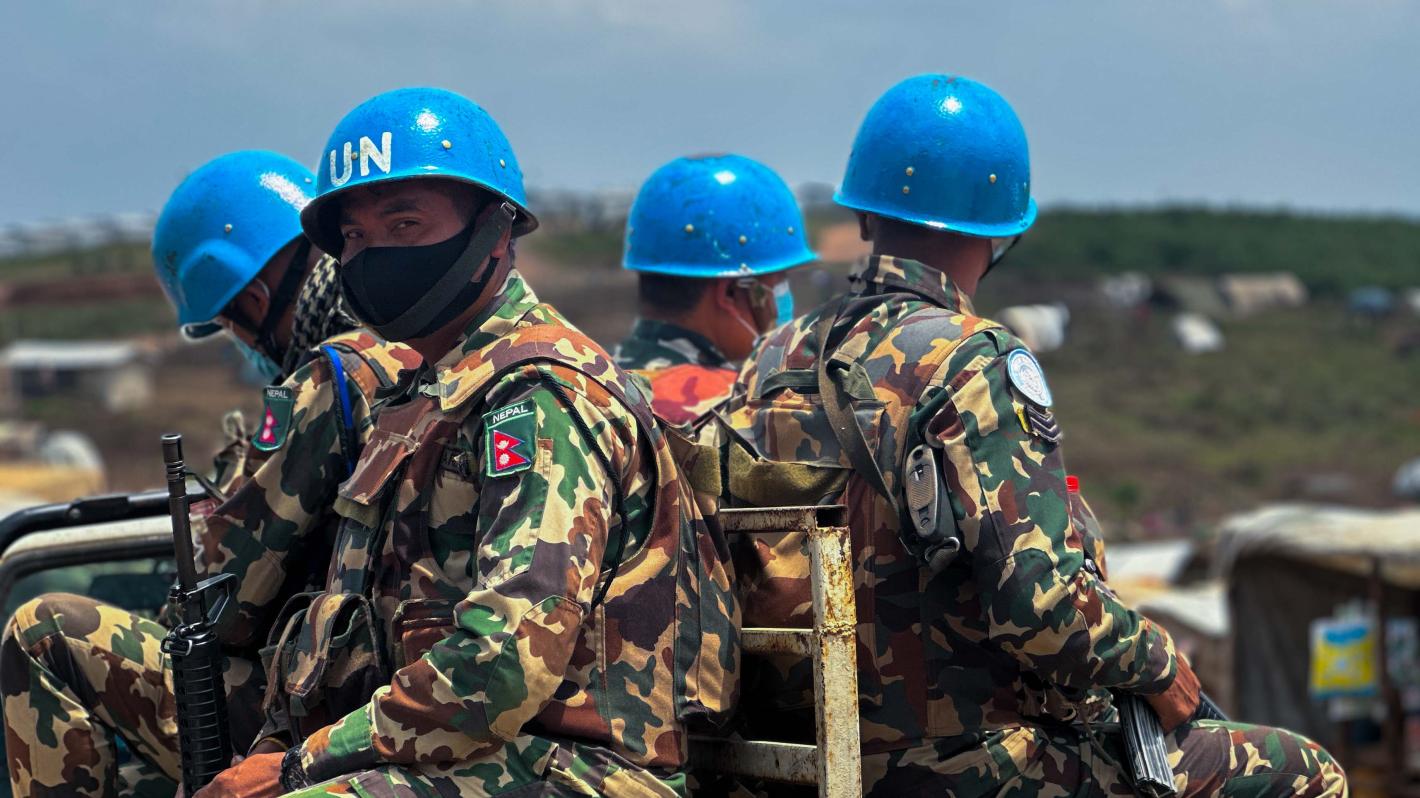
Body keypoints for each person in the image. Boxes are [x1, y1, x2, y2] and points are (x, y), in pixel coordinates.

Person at [721, 74, 1346, 796]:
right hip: (961, 765)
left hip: (794, 757)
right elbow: (1038, 604)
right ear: (1001, 230)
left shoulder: (770, 357)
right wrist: (1158, 661)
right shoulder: (972, 358)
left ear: (864, 216)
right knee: (1306, 773)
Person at [191, 87, 737, 798]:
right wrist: (265, 760)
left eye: (406, 223)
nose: (374, 252)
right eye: (354, 237)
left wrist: (304, 767)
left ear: (496, 230)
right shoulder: (416, 398)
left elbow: (506, 662)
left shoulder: (539, 395)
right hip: (463, 758)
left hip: (577, 770)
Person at [0, 151, 418, 797]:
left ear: (252, 297)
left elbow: (233, 598)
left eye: (227, 323)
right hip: (403, 694)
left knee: (45, 630)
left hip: (337, 710)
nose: (240, 340)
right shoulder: (430, 350)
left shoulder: (331, 378)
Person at [615, 154, 814, 425]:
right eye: (778, 282)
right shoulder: (739, 410)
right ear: (730, 293)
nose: (783, 298)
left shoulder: (591, 382)